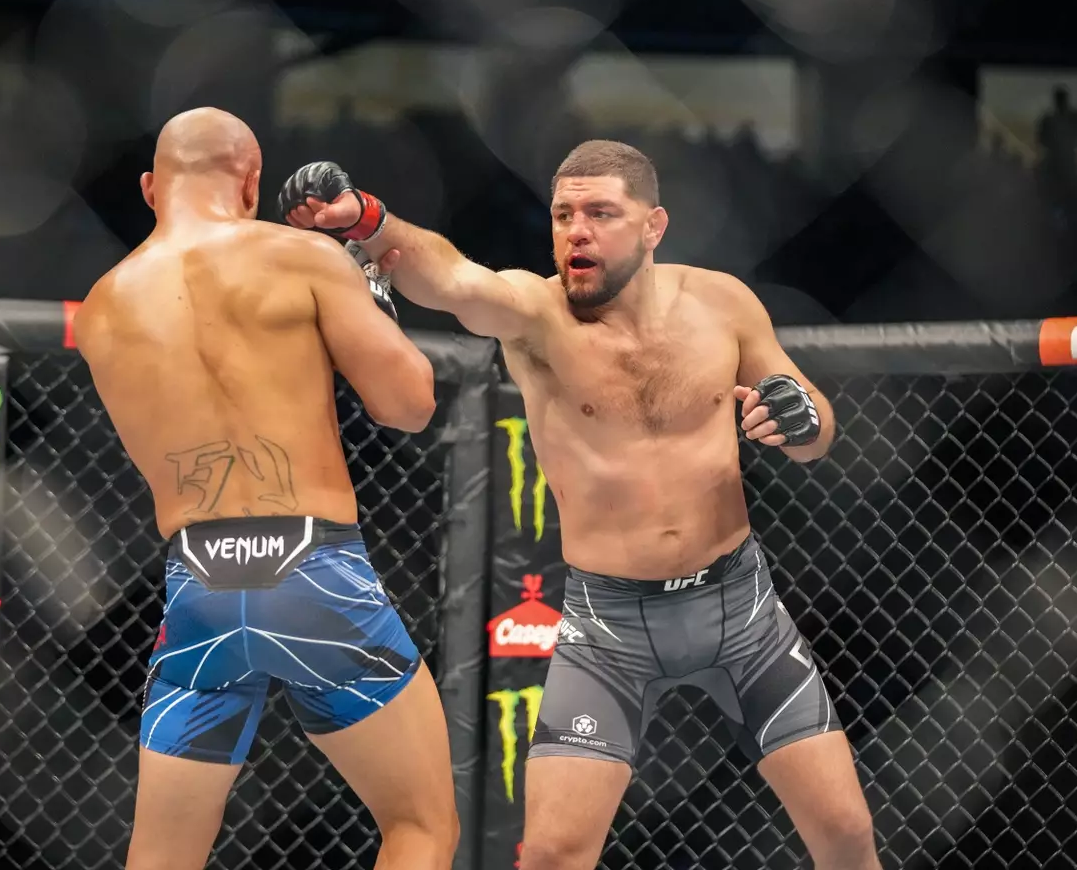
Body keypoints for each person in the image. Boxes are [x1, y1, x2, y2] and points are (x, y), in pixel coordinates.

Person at [279, 140, 880, 870]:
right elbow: (452, 278)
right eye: (563, 214)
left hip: (740, 609)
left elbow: (812, 423)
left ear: (654, 226)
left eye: (600, 213)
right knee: (554, 855)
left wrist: (802, 421)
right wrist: (368, 221)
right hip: (611, 628)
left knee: (846, 833)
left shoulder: (722, 303)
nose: (576, 232)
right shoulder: (537, 314)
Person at [71, 108, 459, 870]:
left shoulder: (103, 307)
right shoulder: (300, 257)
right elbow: (409, 406)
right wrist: (370, 293)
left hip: (200, 583)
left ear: (152, 188)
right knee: (419, 825)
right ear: (250, 182)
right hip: (314, 569)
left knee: (161, 858)